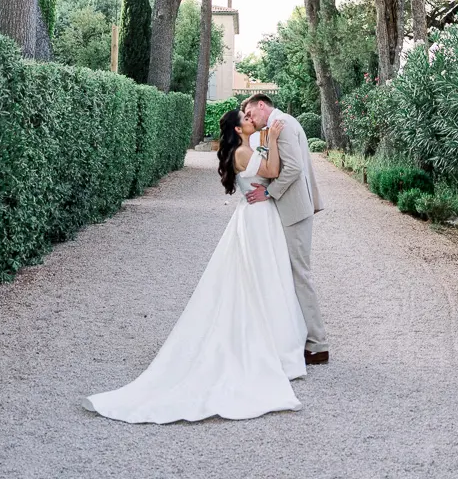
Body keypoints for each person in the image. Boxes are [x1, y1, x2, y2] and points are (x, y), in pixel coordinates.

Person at [81, 107, 307, 423]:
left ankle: (279, 340)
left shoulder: (245, 148)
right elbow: (271, 168)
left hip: (260, 217)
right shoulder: (243, 152)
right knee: (261, 277)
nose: (250, 120)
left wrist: (267, 138)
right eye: (245, 120)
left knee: (269, 275)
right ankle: (272, 347)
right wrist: (273, 134)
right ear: (238, 131)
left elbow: (267, 164)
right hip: (256, 220)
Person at [241, 95, 329, 365]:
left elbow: (293, 168)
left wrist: (269, 191)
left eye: (250, 113)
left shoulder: (283, 124)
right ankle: (299, 336)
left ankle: (318, 343)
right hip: (292, 209)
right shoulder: (277, 126)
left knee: (300, 274)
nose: (250, 119)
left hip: (294, 210)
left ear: (261, 105)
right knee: (289, 273)